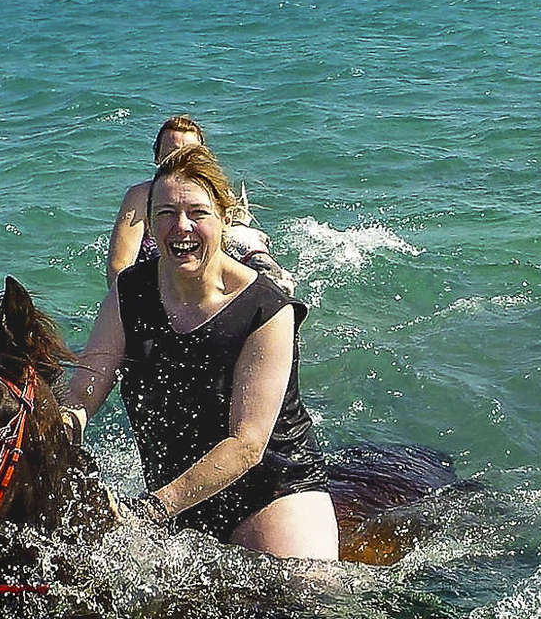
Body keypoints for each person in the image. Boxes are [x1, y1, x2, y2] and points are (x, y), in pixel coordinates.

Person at [66, 143, 338, 561]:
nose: (181, 227)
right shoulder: (129, 293)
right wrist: (64, 425)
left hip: (271, 488)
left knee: (305, 603)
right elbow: (85, 390)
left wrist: (152, 509)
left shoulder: (267, 309)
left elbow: (247, 444)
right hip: (175, 493)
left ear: (225, 220)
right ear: (150, 225)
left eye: (197, 212)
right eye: (166, 214)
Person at [105, 115, 293, 295]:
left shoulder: (215, 192)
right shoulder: (141, 195)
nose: (181, 159)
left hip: (206, 276)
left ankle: (273, 286)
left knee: (243, 236)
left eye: (190, 153)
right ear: (157, 158)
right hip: (160, 281)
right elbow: (119, 265)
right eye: (172, 153)